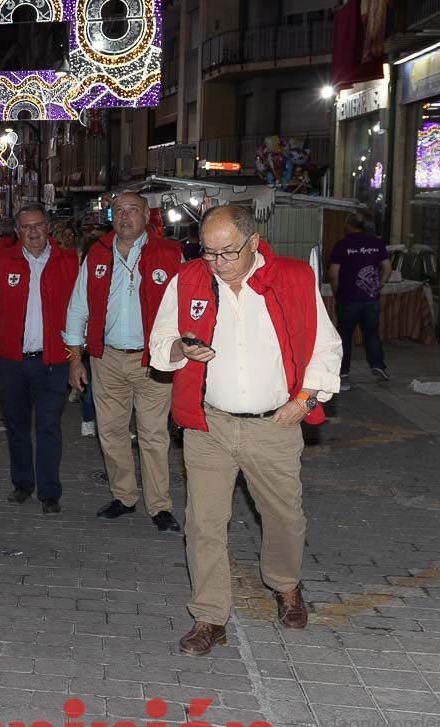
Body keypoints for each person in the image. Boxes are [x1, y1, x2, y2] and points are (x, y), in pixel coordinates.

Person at [149, 204, 342, 656]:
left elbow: (325, 346)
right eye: (208, 252)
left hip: (274, 424)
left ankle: (285, 585)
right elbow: (160, 343)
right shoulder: (188, 280)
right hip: (208, 424)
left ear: (254, 243)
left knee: (284, 516)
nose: (215, 262)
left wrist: (305, 400)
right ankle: (209, 617)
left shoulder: (293, 278)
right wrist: (181, 348)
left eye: (227, 252)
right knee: (203, 525)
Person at [64, 192, 183, 533]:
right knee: (112, 432)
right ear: (110, 217)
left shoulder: (170, 254)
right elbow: (78, 307)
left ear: (147, 215)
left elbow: (187, 305)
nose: (125, 216)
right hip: (107, 359)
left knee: (153, 435)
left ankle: (159, 505)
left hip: (152, 361)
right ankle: (124, 496)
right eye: (119, 211)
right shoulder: (98, 253)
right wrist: (76, 359)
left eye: (133, 210)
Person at [0, 204, 78, 514]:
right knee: (17, 426)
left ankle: (49, 491)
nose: (32, 231)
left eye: (38, 225)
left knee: (49, 426)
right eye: (26, 227)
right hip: (12, 361)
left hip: (53, 360)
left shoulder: (69, 263)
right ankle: (23, 484)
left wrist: (77, 353)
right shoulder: (4, 262)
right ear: (17, 232)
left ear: (49, 228)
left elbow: (82, 309)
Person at [328, 213, 391, 389]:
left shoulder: (342, 245)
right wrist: (381, 284)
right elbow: (387, 267)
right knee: (371, 333)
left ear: (348, 225)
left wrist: (336, 292)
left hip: (348, 299)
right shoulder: (376, 243)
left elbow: (334, 273)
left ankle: (343, 371)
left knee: (345, 336)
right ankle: (378, 365)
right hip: (371, 299)